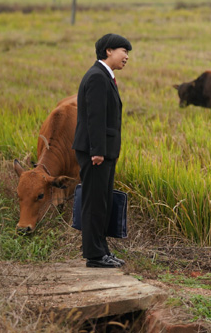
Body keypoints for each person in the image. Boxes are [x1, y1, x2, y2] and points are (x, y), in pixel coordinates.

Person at [73, 33, 131, 268]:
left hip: (104, 151)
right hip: (96, 152)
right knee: (95, 202)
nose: (127, 56)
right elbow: (94, 117)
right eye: (124, 51)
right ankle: (95, 255)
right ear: (108, 51)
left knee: (102, 201)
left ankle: (102, 251)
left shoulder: (104, 76)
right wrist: (97, 150)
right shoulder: (97, 77)